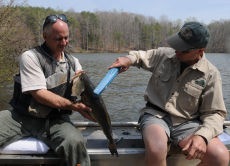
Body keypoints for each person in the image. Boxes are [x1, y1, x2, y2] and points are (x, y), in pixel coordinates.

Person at [109, 21, 229, 166]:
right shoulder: (164, 55)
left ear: (200, 51)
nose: (177, 51)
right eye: (177, 45)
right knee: (157, 149)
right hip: (155, 115)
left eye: (183, 50)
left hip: (187, 122)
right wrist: (128, 59)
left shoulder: (211, 74)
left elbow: (215, 113)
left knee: (220, 157)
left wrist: (202, 136)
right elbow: (141, 56)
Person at [0, 14, 94, 166]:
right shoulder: (30, 57)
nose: (64, 43)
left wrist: (89, 103)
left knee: (76, 142)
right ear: (45, 36)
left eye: (66, 38)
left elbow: (82, 91)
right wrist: (73, 106)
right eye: (58, 39)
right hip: (20, 118)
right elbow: (40, 94)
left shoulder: (73, 62)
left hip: (56, 120)